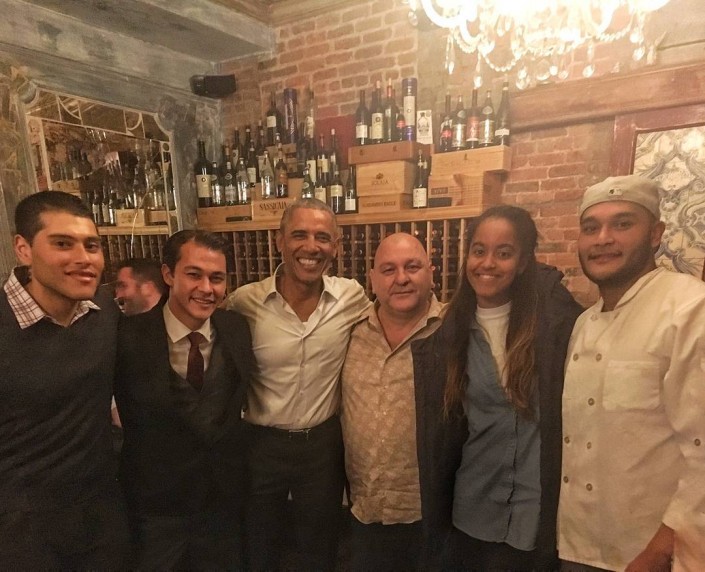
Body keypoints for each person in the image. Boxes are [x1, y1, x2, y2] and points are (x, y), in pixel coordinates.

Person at [413, 205, 582, 569]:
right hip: (472, 510)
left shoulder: (554, 325)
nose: (487, 263)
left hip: (538, 513)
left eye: (503, 253)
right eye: (479, 250)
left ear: (523, 262)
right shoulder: (448, 337)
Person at [558, 175, 705, 571]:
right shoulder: (583, 324)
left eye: (622, 224)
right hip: (578, 545)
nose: (603, 238)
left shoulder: (689, 309)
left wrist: (660, 551)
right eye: (591, 228)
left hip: (654, 553)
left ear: (655, 233)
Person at [224, 198, 371, 570]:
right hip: (260, 445)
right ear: (279, 241)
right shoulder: (244, 303)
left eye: (322, 237)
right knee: (258, 545)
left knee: (320, 547)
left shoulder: (351, 297)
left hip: (323, 445)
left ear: (336, 247)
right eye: (299, 235)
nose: (311, 246)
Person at [0, 190, 130, 568]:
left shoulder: (104, 313)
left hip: (101, 518)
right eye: (62, 244)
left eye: (92, 245)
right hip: (22, 532)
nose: (83, 258)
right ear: (23, 249)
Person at [114, 230, 254, 569]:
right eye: (194, 274)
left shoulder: (237, 327)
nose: (207, 288)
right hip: (156, 511)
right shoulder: (126, 337)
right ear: (168, 274)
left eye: (216, 278)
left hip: (223, 507)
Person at [340, 232, 444, 571]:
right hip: (364, 510)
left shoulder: (454, 330)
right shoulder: (349, 330)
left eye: (412, 267)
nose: (401, 278)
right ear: (372, 279)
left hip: (432, 514)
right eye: (388, 269)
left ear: (431, 272)